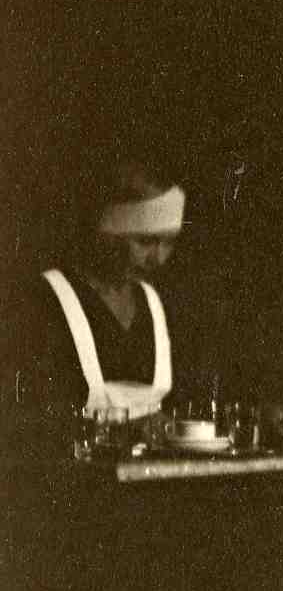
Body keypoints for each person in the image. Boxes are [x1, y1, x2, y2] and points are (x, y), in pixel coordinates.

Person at [22, 169, 190, 431]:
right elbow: (29, 419)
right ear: (107, 234)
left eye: (169, 243)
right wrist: (122, 428)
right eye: (145, 242)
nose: (158, 259)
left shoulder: (153, 302)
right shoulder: (46, 298)